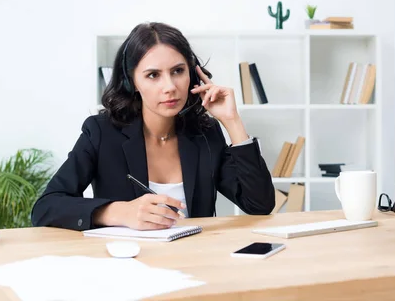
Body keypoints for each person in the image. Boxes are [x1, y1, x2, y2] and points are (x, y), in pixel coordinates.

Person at [31, 22, 275, 231]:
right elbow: (46, 207)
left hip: (196, 262)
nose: (169, 86)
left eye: (178, 71)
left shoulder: (205, 132)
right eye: (153, 75)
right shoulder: (101, 132)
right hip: (128, 268)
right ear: (132, 81)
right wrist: (118, 212)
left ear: (191, 74)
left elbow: (259, 205)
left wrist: (232, 121)